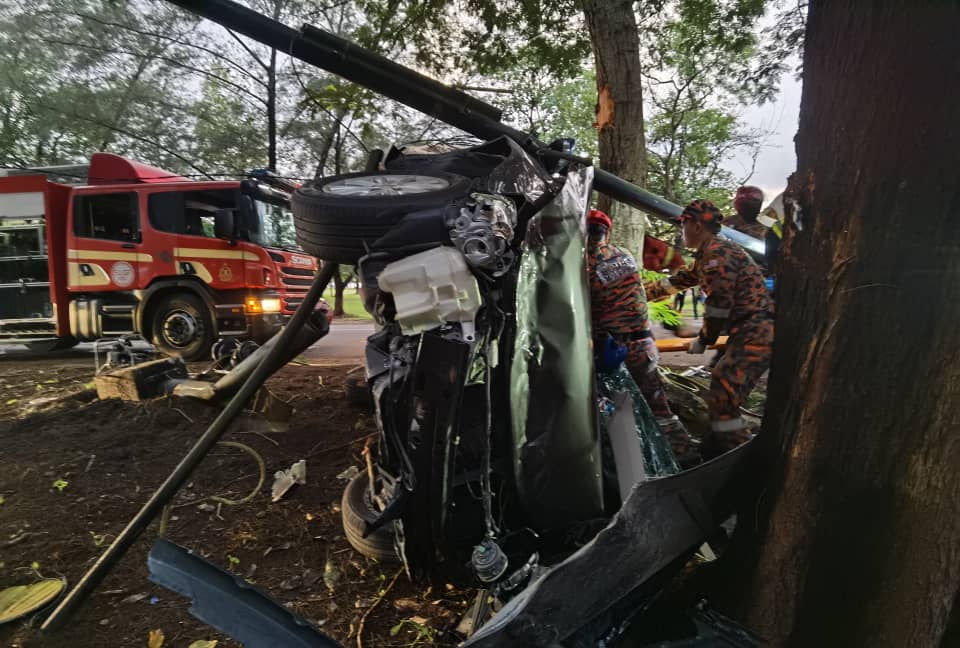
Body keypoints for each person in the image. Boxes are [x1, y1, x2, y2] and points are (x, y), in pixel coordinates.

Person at [644, 200, 774, 456]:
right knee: (721, 390)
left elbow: (720, 303)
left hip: (755, 332)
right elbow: (681, 280)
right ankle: (718, 447)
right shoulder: (709, 253)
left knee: (723, 394)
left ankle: (739, 454)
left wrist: (704, 338)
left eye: (683, 225)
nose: (682, 231)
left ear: (695, 226)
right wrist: (640, 292)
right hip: (748, 331)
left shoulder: (717, 255)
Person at [586, 209, 701, 467]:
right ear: (607, 232)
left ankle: (634, 464)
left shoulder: (586, 263)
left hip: (616, 349)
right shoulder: (624, 256)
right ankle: (685, 454)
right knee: (658, 407)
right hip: (645, 344)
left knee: (614, 409)